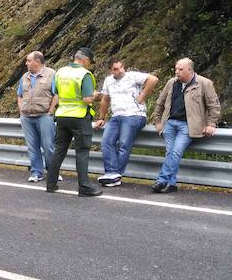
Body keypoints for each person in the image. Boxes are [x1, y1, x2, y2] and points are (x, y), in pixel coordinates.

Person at [150, 58, 221, 193]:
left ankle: (162, 180)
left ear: (190, 70)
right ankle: (171, 184)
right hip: (169, 123)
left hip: (188, 125)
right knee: (170, 152)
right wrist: (158, 122)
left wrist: (211, 123)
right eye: (176, 69)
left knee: (175, 152)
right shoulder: (171, 83)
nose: (177, 72)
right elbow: (160, 102)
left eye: (180, 69)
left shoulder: (204, 83)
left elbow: (214, 106)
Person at [45, 47, 101, 196]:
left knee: (59, 150)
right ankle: (84, 187)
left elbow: (56, 93)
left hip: (62, 115)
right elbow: (87, 99)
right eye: (90, 62)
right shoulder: (85, 74)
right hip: (79, 116)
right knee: (82, 151)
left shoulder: (60, 72)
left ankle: (50, 184)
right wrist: (96, 95)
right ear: (86, 60)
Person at [93, 59, 158, 187]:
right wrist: (101, 117)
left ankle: (116, 174)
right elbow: (105, 99)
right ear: (111, 70)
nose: (120, 70)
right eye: (116, 69)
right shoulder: (108, 81)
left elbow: (153, 79)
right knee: (106, 142)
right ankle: (111, 172)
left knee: (123, 143)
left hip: (134, 114)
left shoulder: (132, 76)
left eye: (121, 67)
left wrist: (143, 95)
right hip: (117, 115)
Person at [17, 51, 58, 182]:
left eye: (28, 60)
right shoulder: (24, 77)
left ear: (37, 61)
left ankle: (53, 172)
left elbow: (56, 94)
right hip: (27, 116)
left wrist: (51, 111)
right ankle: (36, 172)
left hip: (44, 115)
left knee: (48, 145)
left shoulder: (52, 74)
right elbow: (19, 95)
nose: (26, 63)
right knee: (32, 146)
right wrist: (21, 111)